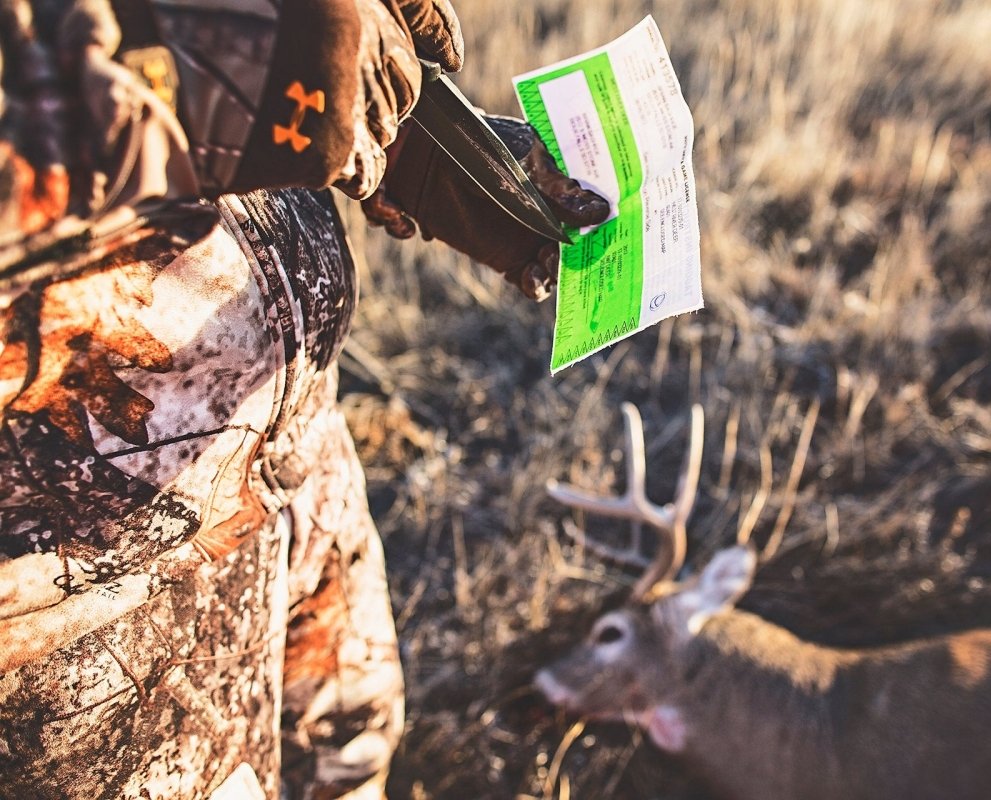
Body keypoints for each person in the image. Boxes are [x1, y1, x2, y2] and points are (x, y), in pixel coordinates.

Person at [0, 1, 609, 798]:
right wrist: (225, 72)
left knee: (354, 757)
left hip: (294, 472)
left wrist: (411, 146)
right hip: (84, 634)